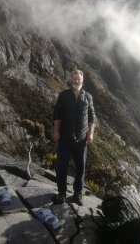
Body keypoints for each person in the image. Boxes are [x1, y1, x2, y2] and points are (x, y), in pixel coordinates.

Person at [52, 69, 96, 206]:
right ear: (71, 80)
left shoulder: (88, 97)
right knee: (61, 165)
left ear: (82, 80)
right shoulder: (63, 95)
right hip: (65, 136)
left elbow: (92, 117)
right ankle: (62, 193)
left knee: (81, 167)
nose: (77, 81)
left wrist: (91, 133)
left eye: (79, 79)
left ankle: (78, 194)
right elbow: (57, 115)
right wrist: (55, 131)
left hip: (82, 139)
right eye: (74, 78)